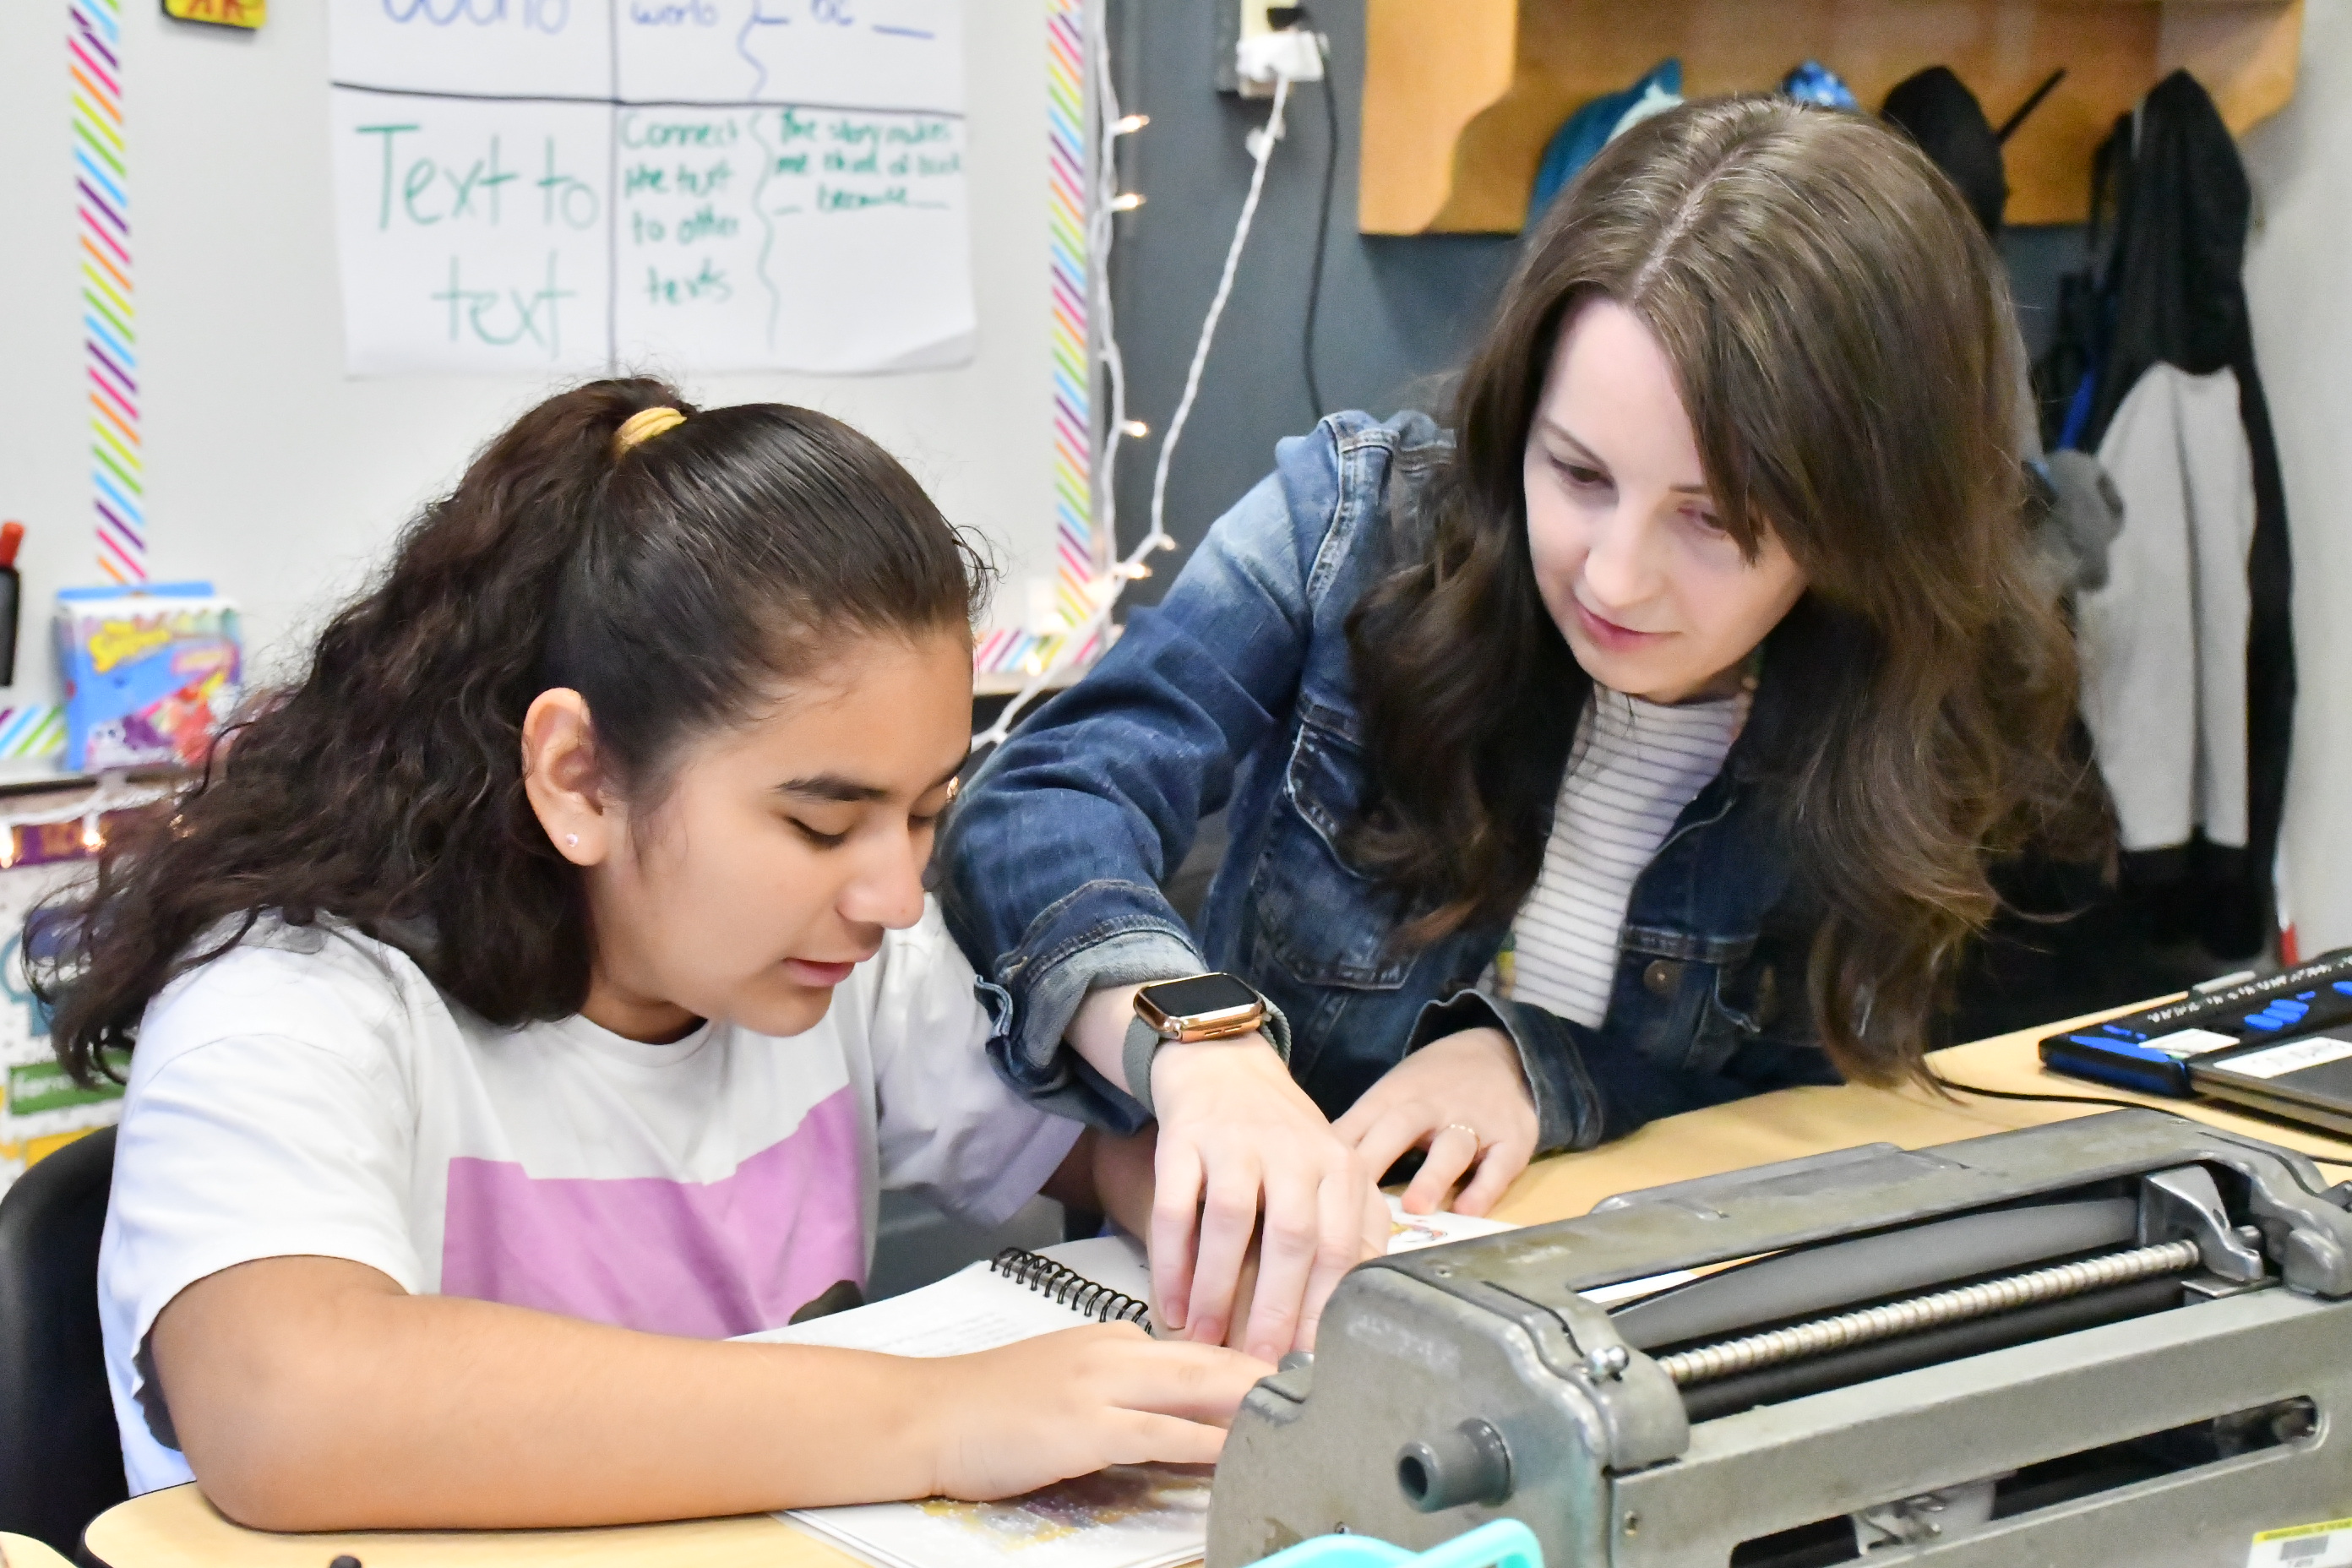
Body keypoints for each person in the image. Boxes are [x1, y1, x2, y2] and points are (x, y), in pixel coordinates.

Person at [939, 96, 2109, 1361]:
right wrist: (1202, 1049)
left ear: (1861, 520)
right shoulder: (1349, 525)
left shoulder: (1905, 691)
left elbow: (1805, 1098)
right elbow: (1038, 805)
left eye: (1711, 520)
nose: (1614, 578)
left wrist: (1534, 1071)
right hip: (1248, 1321)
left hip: (1616, 1345)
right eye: (1578, 475)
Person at [41, 382, 1266, 1531]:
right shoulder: (289, 997)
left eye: (925, 812)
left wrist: (1241, 1200)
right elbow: (286, 1401)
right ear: (579, 777)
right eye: (821, 823)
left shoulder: (836, 959)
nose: (895, 895)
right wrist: (942, 1416)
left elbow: (1095, 1150)